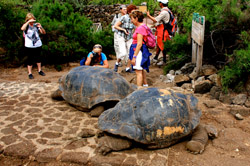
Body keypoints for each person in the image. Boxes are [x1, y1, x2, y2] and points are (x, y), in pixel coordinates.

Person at [129, 10, 152, 87]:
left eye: (132, 18)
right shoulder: (143, 26)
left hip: (138, 51)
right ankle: (145, 85)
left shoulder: (140, 28)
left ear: (136, 18)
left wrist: (134, 57)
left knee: (138, 71)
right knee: (141, 69)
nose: (131, 21)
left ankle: (139, 89)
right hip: (139, 50)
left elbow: (139, 44)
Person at [21, 13, 46, 79]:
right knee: (30, 59)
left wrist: (40, 27)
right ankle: (30, 73)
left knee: (38, 58)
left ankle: (40, 70)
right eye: (30, 20)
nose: (32, 21)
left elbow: (43, 32)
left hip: (38, 44)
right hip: (29, 46)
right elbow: (22, 28)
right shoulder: (26, 26)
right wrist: (28, 22)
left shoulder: (36, 26)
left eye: (33, 19)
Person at [113, 4, 137, 73]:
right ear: (129, 12)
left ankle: (127, 68)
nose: (134, 13)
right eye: (132, 11)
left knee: (131, 52)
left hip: (129, 37)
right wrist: (123, 30)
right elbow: (116, 26)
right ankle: (117, 63)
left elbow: (136, 28)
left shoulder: (135, 19)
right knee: (123, 53)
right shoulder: (124, 18)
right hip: (121, 35)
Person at [147, 0, 170, 66]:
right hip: (162, 29)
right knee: (160, 44)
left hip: (162, 30)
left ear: (161, 3)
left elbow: (155, 20)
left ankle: (164, 60)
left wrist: (148, 15)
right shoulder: (167, 11)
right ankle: (156, 57)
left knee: (162, 44)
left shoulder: (164, 12)